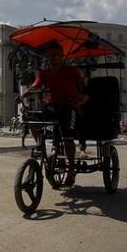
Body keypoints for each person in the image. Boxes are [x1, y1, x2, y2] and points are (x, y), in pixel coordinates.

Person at [20, 41, 87, 187]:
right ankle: (41, 146)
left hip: (69, 106)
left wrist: (81, 96)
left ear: (62, 55)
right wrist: (25, 93)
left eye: (56, 55)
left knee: (68, 136)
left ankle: (71, 169)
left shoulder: (71, 70)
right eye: (50, 56)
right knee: (32, 119)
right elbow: (36, 84)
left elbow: (83, 82)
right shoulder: (45, 73)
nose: (52, 58)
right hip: (52, 106)